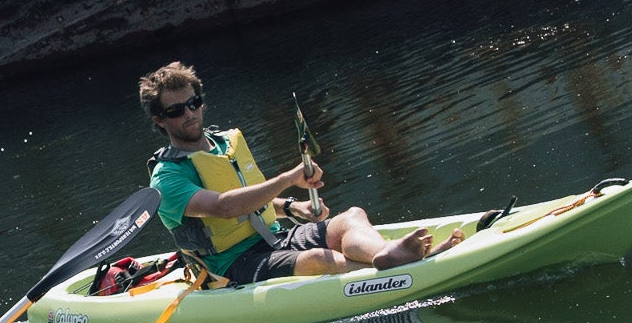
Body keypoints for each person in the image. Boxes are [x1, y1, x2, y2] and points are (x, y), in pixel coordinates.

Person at [139, 61, 462, 285]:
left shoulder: (224, 145)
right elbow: (226, 206)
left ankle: (388, 257)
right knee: (318, 259)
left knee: (351, 217)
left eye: (193, 103)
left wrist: (293, 207)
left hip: (275, 236)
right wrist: (288, 179)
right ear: (159, 120)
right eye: (176, 110)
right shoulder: (167, 178)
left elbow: (252, 197)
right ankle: (416, 270)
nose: (190, 113)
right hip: (233, 264)